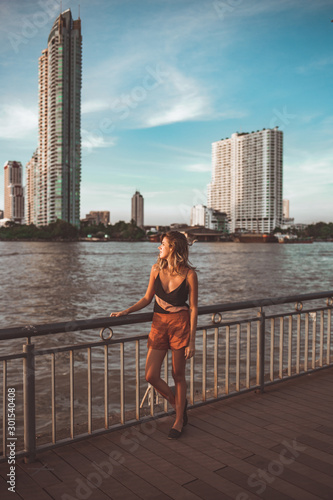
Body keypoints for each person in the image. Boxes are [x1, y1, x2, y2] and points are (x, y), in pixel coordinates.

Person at [110, 231, 198, 439]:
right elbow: (147, 298)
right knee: (150, 375)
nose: (159, 247)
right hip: (158, 324)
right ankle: (178, 404)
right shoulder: (156, 269)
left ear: (173, 248)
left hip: (180, 325)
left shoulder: (189, 274)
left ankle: (178, 420)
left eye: (163, 244)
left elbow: (193, 308)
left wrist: (191, 341)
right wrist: (126, 311)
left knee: (178, 375)